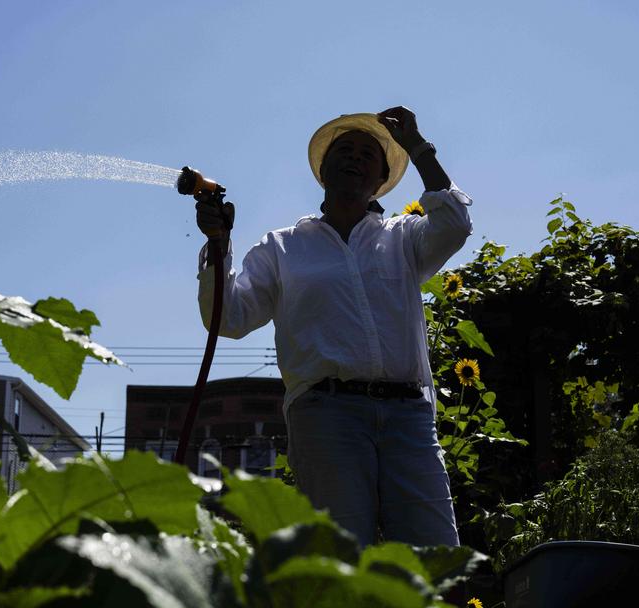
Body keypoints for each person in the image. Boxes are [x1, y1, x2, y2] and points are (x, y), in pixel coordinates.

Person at [194, 106, 472, 547]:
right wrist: (218, 244)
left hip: (408, 415)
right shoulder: (282, 247)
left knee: (434, 553)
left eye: (368, 153)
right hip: (326, 415)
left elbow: (456, 223)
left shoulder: (404, 237)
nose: (355, 157)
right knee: (339, 555)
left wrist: (417, 148)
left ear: (381, 178)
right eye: (344, 149)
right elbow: (227, 318)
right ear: (322, 171)